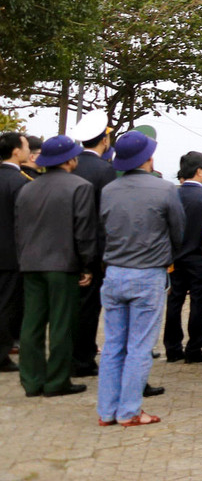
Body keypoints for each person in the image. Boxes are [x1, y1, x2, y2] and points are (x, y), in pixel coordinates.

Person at [94, 131, 183, 427]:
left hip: (114, 272)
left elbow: (103, 226)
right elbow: (178, 231)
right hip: (147, 273)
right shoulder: (165, 189)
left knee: (113, 345)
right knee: (139, 346)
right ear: (148, 158)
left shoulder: (109, 190)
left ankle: (107, 410)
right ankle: (130, 411)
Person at [15, 135, 97, 397]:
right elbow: (84, 231)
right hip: (63, 264)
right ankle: (57, 381)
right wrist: (87, 264)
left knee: (32, 323)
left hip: (31, 262)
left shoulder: (27, 187)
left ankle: (31, 380)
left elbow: (19, 228)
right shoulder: (80, 186)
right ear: (70, 160)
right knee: (62, 323)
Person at [70, 113, 114, 379]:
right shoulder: (105, 171)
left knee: (69, 307)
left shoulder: (71, 165)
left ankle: (67, 355)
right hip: (94, 249)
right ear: (105, 140)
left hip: (65, 246)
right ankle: (82, 360)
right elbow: (107, 214)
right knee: (88, 308)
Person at [164, 151, 202, 364]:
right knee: (198, 304)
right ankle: (194, 348)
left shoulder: (172, 195)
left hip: (175, 257)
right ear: (200, 171)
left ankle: (172, 347)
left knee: (174, 301)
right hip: (199, 258)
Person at [0, 130, 32, 373]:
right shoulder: (20, 182)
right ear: (15, 151)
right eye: (25, 146)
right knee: (7, 305)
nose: (28, 151)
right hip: (11, 254)